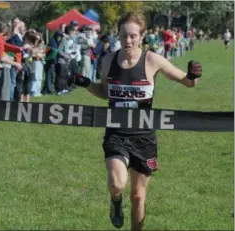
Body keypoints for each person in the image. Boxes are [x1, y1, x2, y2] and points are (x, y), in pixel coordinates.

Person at [73, 12, 202, 231]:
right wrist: (86, 84)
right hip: (116, 134)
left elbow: (188, 83)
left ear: (142, 36)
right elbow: (105, 93)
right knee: (117, 184)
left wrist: (193, 74)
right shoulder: (109, 59)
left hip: (144, 138)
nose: (128, 41)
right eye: (124, 36)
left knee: (138, 197)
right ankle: (115, 201)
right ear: (118, 35)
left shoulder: (152, 60)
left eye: (133, 36)